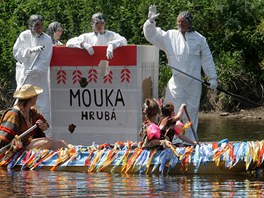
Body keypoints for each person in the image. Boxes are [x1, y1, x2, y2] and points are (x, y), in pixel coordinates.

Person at [143, 5, 218, 142]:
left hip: (194, 82)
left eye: (183, 22)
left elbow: (207, 59)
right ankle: (172, 140)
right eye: (178, 21)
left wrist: (212, 77)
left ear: (189, 23)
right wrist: (151, 22)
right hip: (176, 83)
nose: (180, 24)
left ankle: (190, 142)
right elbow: (152, 36)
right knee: (171, 112)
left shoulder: (200, 39)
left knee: (192, 112)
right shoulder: (170, 36)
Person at [13, 14, 53, 137]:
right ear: (31, 26)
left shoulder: (47, 39)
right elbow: (17, 53)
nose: (39, 28)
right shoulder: (24, 36)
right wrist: (30, 51)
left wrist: (36, 70)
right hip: (25, 76)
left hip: (39, 80)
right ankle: (16, 133)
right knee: (22, 104)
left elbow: (46, 59)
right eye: (37, 25)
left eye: (41, 25)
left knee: (42, 106)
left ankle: (45, 136)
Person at [0, 84, 69, 151]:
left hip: (30, 143)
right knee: (46, 142)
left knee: (61, 143)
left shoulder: (32, 111)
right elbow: (3, 138)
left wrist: (42, 125)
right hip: (17, 148)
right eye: (35, 95)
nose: (37, 97)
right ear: (31, 98)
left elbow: (46, 125)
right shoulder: (13, 113)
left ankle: (73, 158)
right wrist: (15, 143)